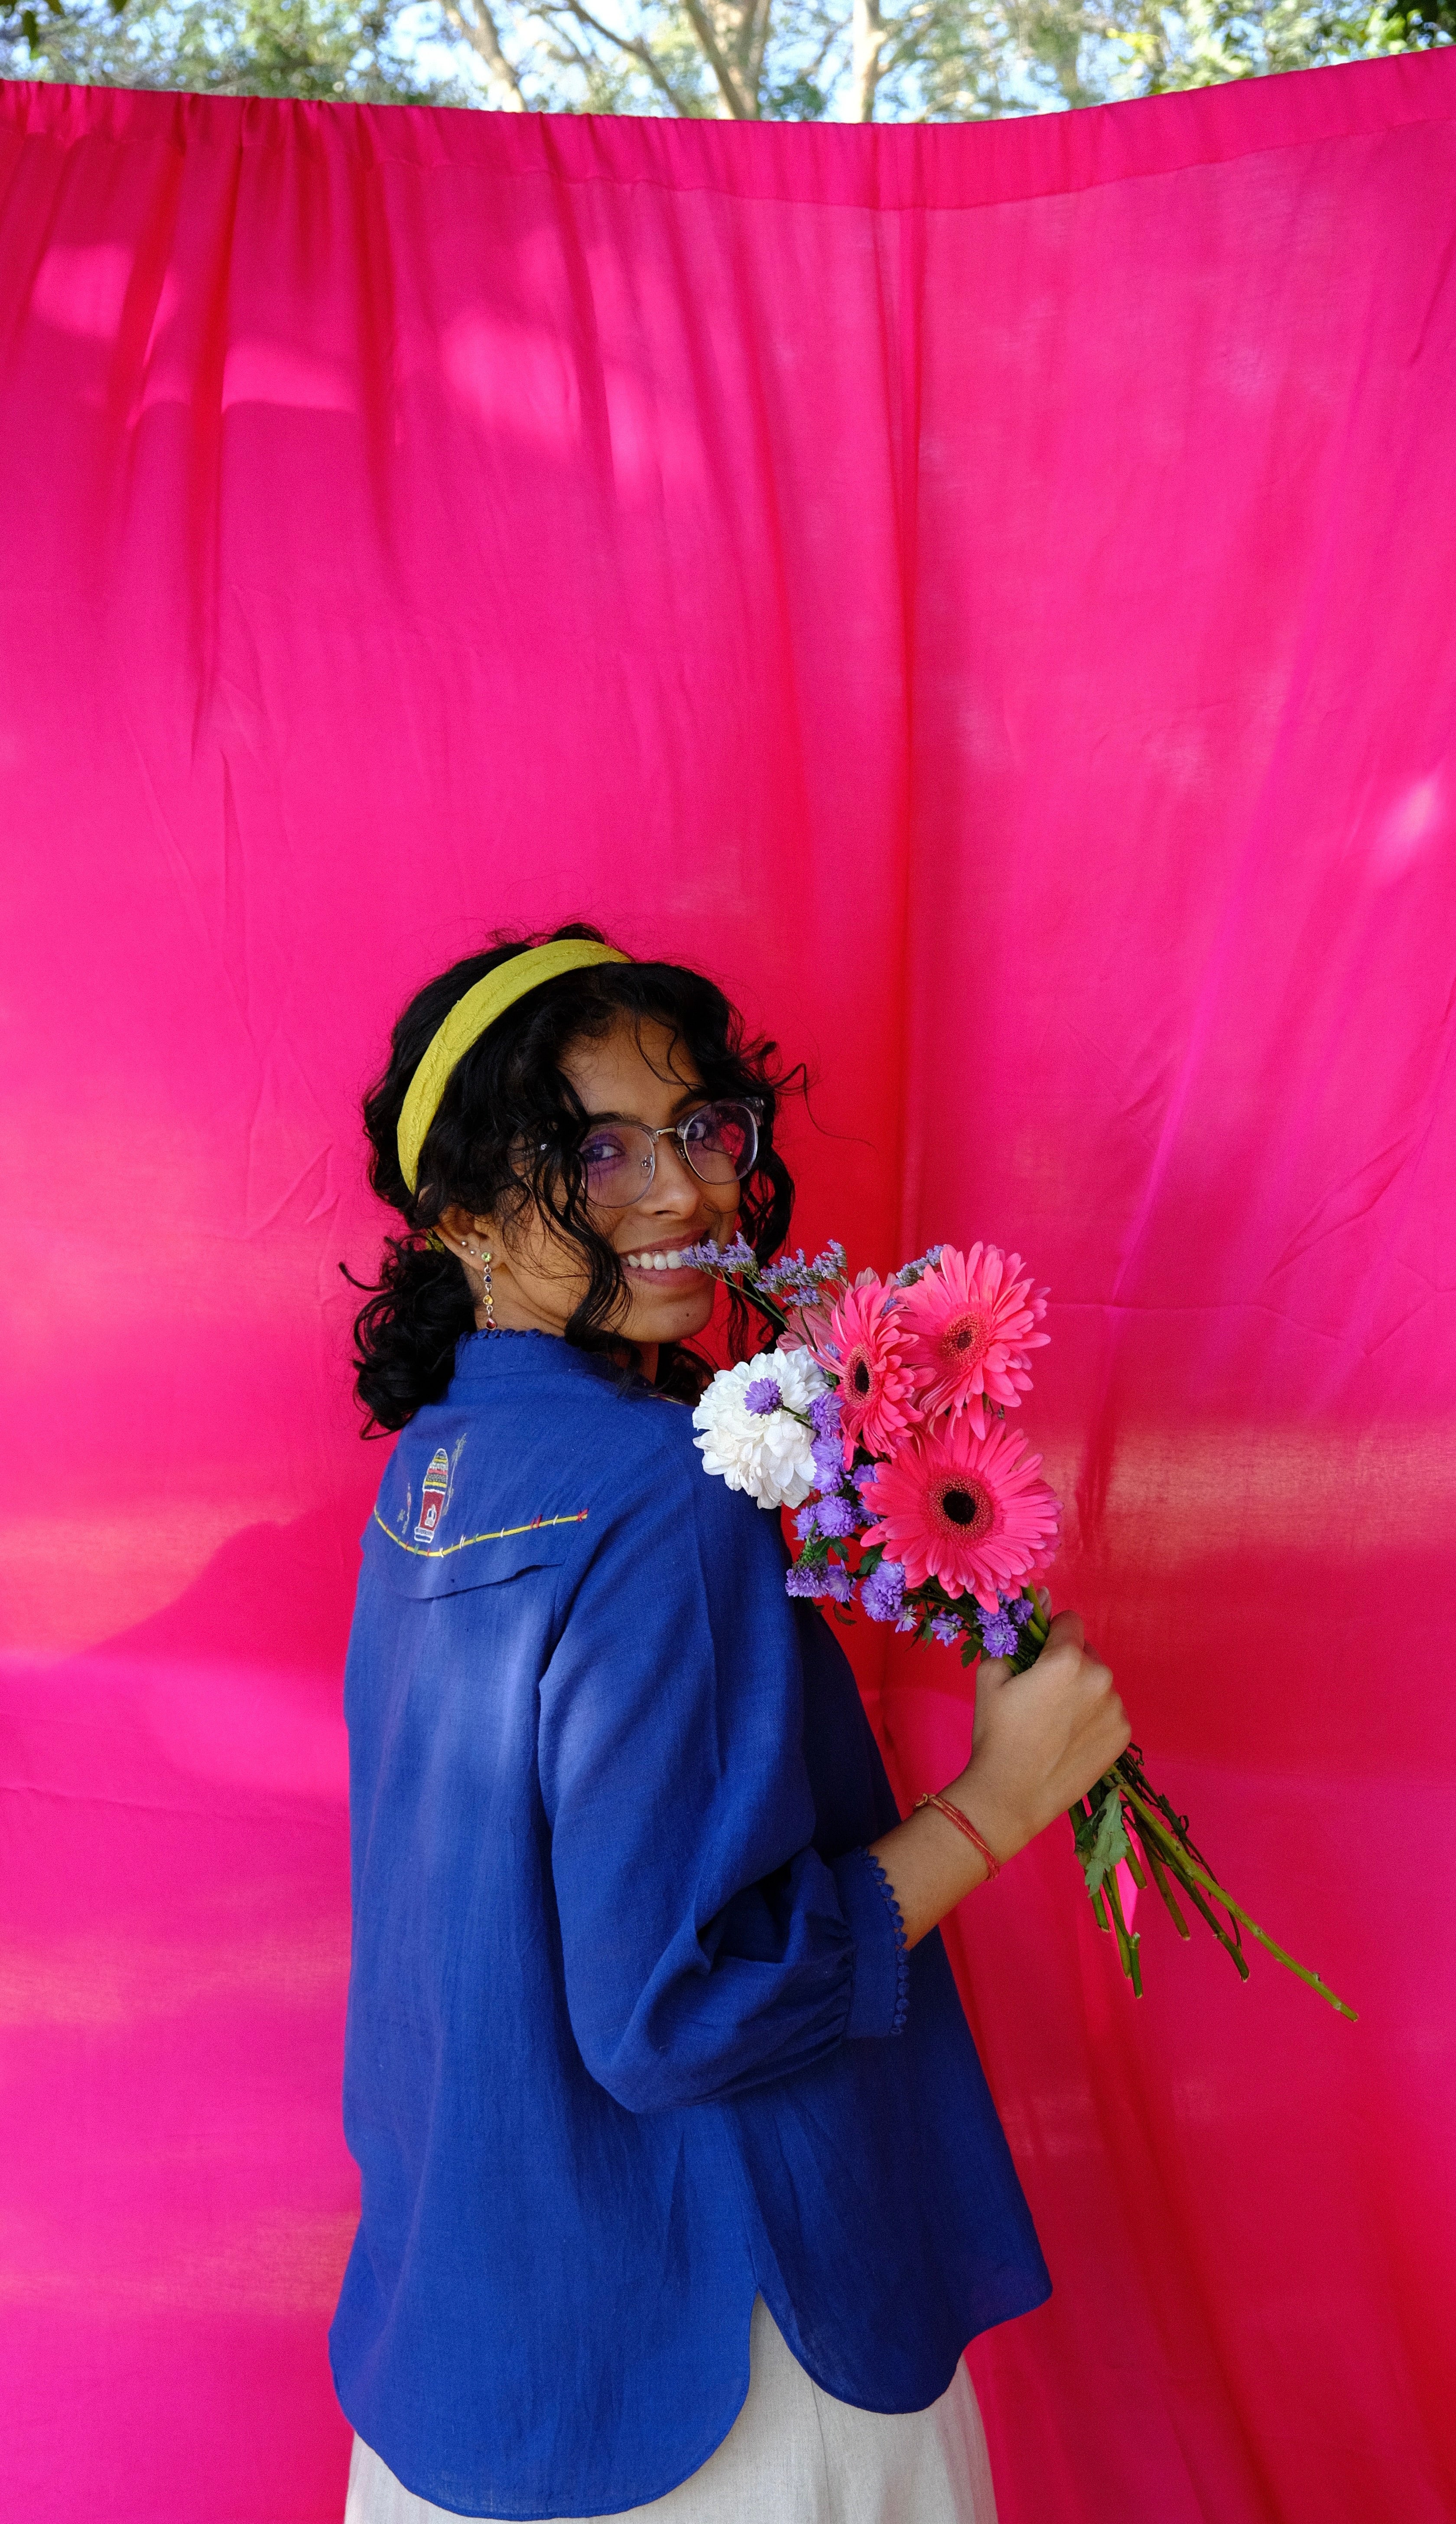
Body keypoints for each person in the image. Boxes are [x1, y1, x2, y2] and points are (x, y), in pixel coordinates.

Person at [332, 924, 1130, 2524]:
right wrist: (1003, 1799)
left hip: (480, 2359)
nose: (685, 1192)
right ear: (465, 1219)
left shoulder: (434, 1475)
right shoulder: (658, 1490)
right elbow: (676, 2011)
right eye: (594, 1152)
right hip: (721, 2373)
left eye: (699, 1129)